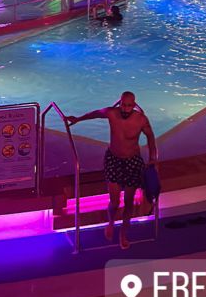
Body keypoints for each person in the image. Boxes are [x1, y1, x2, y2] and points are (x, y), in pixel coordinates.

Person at [66, 92, 158, 250]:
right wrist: (78, 119)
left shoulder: (141, 120)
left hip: (132, 161)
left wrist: (152, 158)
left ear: (134, 105)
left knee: (129, 202)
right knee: (114, 201)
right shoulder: (112, 113)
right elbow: (95, 113)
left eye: (130, 105)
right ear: (120, 103)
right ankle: (110, 223)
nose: (126, 108)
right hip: (114, 160)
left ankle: (123, 233)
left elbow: (150, 137)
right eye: (123, 104)